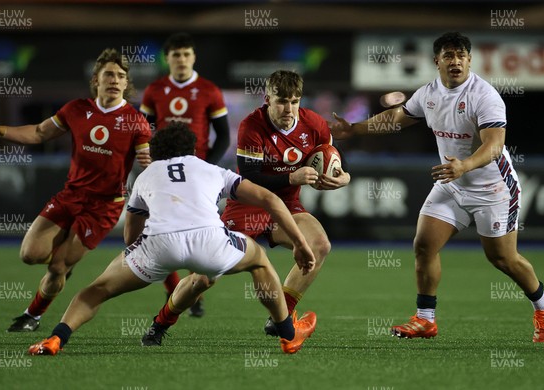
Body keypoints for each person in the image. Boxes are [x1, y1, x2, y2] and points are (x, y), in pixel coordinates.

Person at [331, 32, 544, 342]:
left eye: (461, 55)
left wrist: (464, 165)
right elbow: (398, 118)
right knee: (424, 245)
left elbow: (494, 145)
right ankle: (425, 319)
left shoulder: (485, 95)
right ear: (436, 61)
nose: (456, 61)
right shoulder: (428, 93)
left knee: (502, 259)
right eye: (449, 56)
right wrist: (354, 128)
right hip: (452, 184)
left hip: (493, 188)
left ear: (469, 60)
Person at [27, 122, 317, 356]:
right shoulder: (212, 169)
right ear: (193, 148)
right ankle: (288, 336)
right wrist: (301, 245)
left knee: (95, 290)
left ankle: (56, 338)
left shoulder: (146, 175)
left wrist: (143, 260)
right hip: (209, 242)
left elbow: (131, 234)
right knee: (260, 262)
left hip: (158, 245)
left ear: (155, 153)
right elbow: (269, 199)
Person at [0, 48, 152, 332]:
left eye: (120, 76)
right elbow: (40, 132)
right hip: (70, 196)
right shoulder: (76, 109)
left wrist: (149, 162)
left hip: (103, 207)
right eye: (109, 74)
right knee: (29, 255)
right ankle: (65, 254)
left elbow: (147, 161)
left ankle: (32, 315)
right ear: (96, 79)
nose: (115, 80)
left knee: (57, 268)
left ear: (126, 82)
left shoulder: (135, 121)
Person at [220, 70, 351, 336]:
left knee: (319, 245)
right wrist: (292, 177)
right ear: (267, 98)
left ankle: (281, 318)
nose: (288, 108)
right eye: (281, 101)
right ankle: (162, 321)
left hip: (287, 207)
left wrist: (344, 176)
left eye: (294, 101)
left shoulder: (314, 124)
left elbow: (333, 157)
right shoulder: (252, 125)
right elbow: (250, 177)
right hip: (248, 204)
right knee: (207, 273)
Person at [139, 32, 231, 316]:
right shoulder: (154, 90)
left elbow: (224, 137)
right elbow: (143, 131)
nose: (181, 59)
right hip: (161, 174)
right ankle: (173, 290)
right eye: (176, 55)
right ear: (167, 59)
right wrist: (146, 156)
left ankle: (194, 290)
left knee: (197, 231)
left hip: (196, 178)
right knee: (158, 230)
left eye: (186, 54)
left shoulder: (209, 90)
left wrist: (209, 170)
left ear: (194, 57)